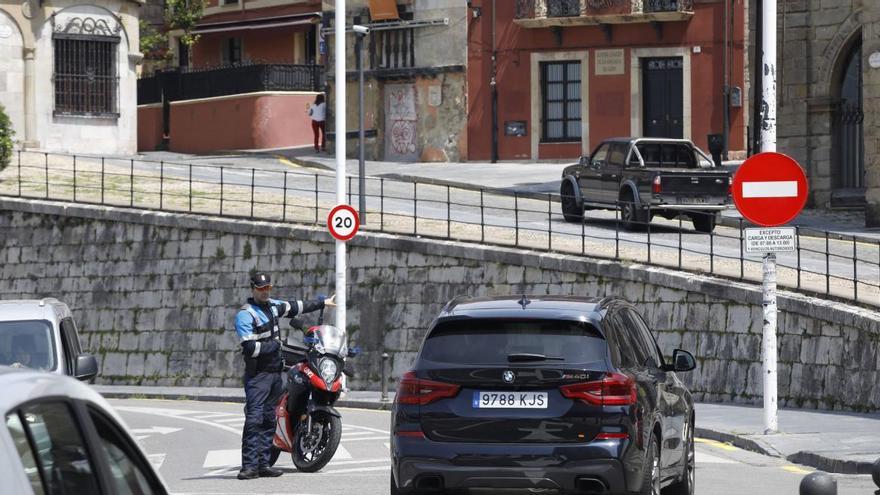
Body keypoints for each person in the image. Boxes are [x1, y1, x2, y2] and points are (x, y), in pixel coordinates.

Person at [234, 271, 335, 480]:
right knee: (254, 420)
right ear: (253, 289)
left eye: (268, 288)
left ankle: (263, 464)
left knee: (270, 419)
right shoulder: (246, 314)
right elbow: (250, 348)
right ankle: (249, 467)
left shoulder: (272, 306)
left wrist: (322, 303)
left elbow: (296, 306)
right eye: (261, 289)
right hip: (258, 376)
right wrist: (276, 345)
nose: (265, 292)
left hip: (274, 374)